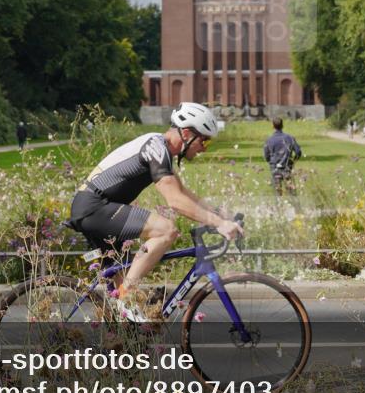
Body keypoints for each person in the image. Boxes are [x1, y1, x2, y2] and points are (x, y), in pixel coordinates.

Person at [68, 102, 242, 323]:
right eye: (204, 139)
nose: (205, 147)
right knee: (166, 230)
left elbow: (184, 193)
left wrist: (219, 214)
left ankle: (124, 340)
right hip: (94, 207)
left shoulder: (162, 150)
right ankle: (127, 297)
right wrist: (218, 223)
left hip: (100, 209)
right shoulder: (156, 148)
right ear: (186, 133)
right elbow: (175, 201)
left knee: (125, 310)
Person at [263, 117, 302, 197]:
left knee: (278, 192)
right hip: (287, 167)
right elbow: (298, 152)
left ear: (273, 126)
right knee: (291, 191)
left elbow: (266, 156)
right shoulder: (290, 138)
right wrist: (292, 162)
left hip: (275, 168)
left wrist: (271, 163)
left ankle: (280, 208)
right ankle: (294, 207)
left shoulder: (269, 140)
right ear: (282, 125)